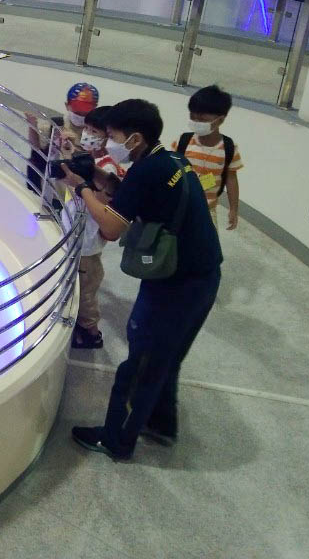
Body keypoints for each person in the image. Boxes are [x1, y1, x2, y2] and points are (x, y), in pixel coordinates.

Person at [63, 98, 222, 460]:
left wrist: (82, 187)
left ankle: (116, 440)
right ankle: (160, 424)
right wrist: (96, 175)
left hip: (174, 285)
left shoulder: (145, 172)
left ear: (135, 138)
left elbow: (111, 227)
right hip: (203, 277)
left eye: (113, 136)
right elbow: (134, 195)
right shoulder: (171, 160)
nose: (109, 143)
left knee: (139, 365)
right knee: (166, 359)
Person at [61, 157, 123, 350]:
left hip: (86, 259)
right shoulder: (83, 198)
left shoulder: (97, 207)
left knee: (86, 297)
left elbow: (111, 188)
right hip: (80, 254)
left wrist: (86, 188)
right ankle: (83, 327)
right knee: (79, 292)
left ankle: (91, 334)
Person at [172, 84, 243, 231]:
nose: (196, 122)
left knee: (207, 244)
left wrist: (233, 209)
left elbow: (231, 179)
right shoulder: (183, 142)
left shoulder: (229, 148)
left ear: (220, 120)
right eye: (193, 117)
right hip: (178, 206)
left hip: (207, 210)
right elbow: (170, 170)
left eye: (202, 119)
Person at [26, 81, 99, 201]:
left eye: (86, 112)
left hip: (80, 195)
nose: (81, 115)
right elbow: (36, 149)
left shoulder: (96, 132)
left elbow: (97, 163)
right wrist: (32, 127)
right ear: (67, 105)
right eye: (77, 110)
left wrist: (74, 147)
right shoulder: (54, 125)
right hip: (53, 192)